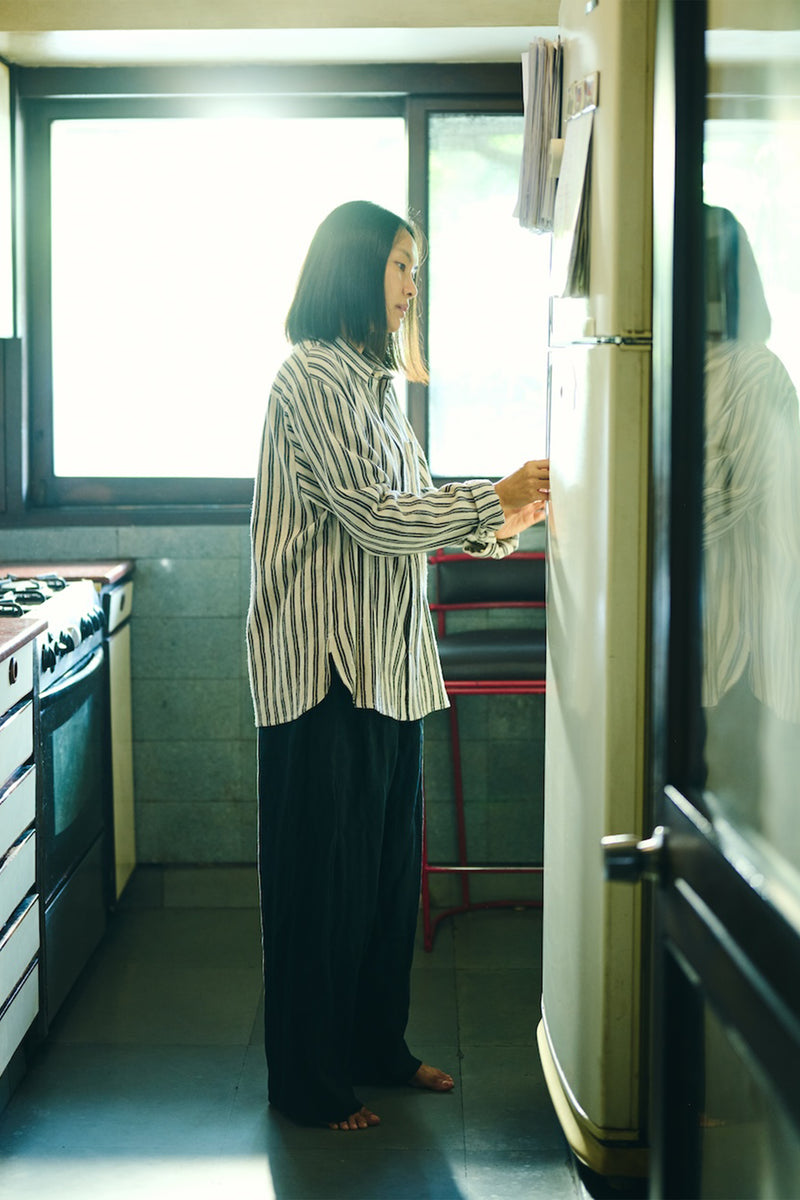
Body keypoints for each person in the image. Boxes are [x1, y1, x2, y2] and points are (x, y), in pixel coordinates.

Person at [246, 200, 549, 1132]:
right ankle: (308, 1087)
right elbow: (376, 516)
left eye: (416, 268)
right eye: (400, 265)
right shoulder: (308, 378)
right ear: (352, 269)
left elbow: (412, 508)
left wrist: (510, 516)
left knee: (381, 887)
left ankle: (376, 1049)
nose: (413, 286)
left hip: (389, 668)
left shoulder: (378, 385)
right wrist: (488, 506)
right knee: (318, 894)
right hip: (324, 673)